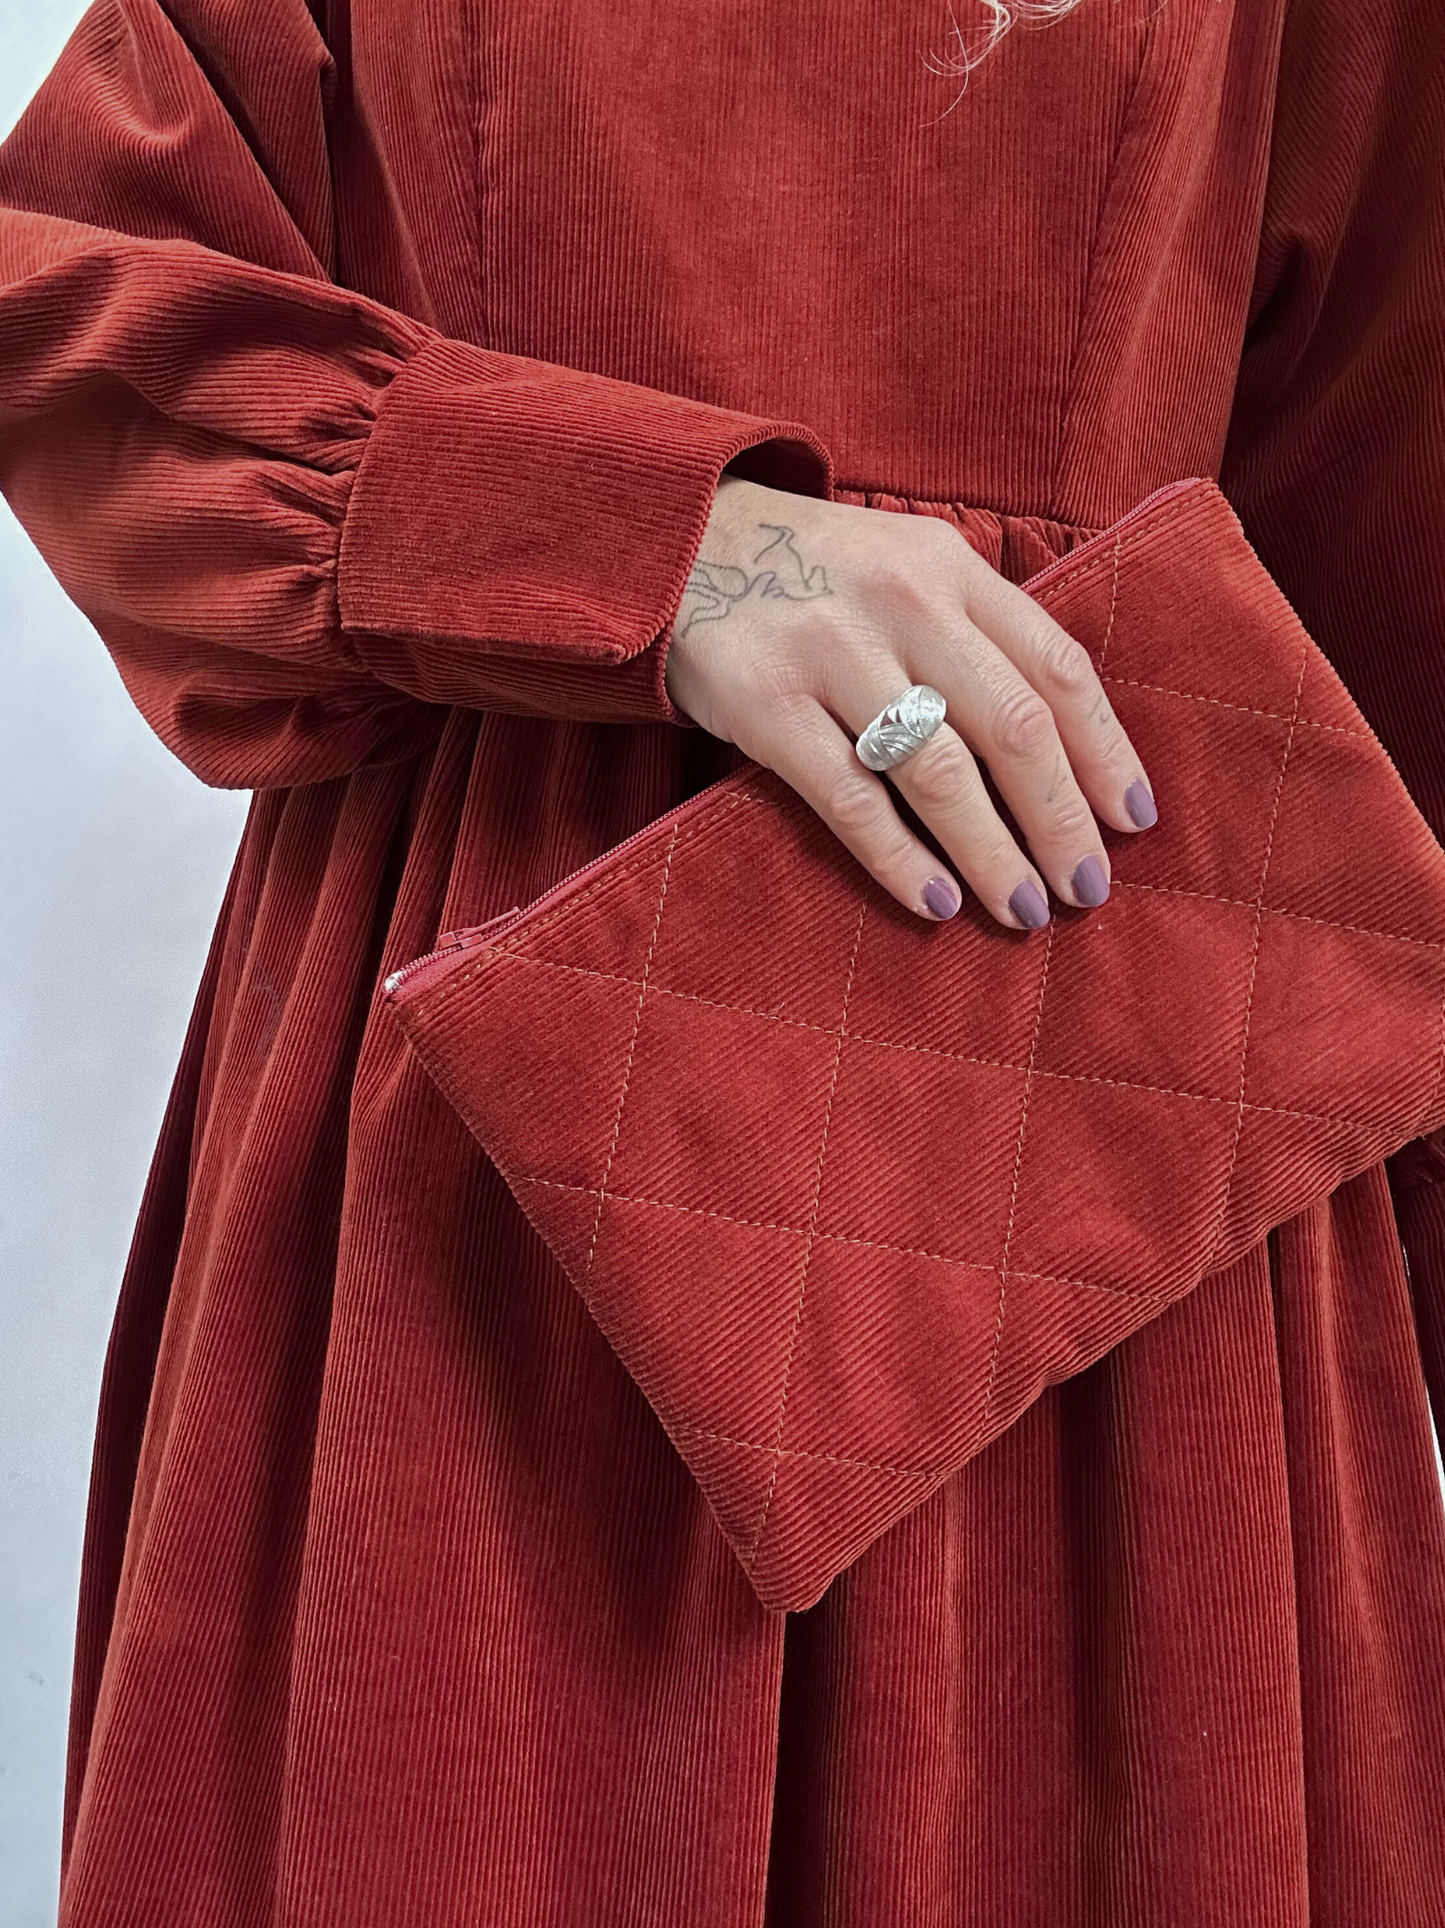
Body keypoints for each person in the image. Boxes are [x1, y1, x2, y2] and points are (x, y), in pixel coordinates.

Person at [2, 0, 1443, 1921]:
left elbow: (1389, 564)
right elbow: (69, 317)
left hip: (1098, 1149)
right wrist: (650, 549)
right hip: (490, 1152)